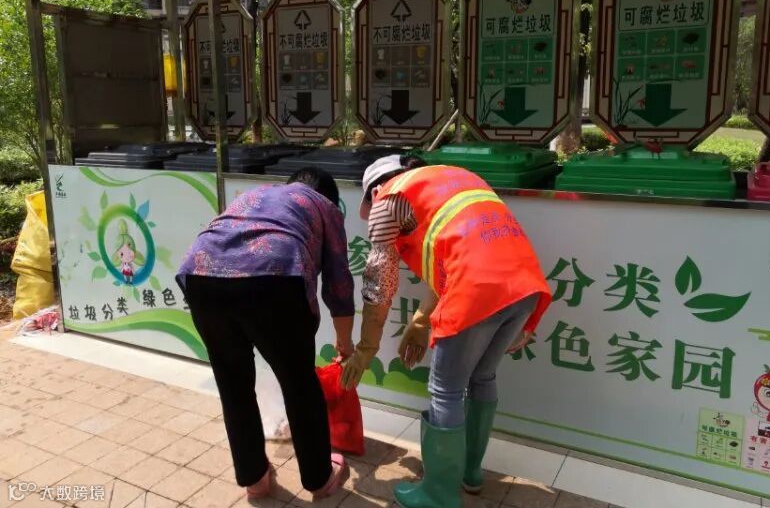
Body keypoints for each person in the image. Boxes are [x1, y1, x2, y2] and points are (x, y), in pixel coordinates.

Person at [340, 155, 552, 508]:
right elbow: (453, 257)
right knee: (483, 376)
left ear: (375, 191)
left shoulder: (388, 197)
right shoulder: (453, 178)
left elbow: (379, 282)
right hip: (524, 286)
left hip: (478, 289)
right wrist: (421, 321)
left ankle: (438, 493)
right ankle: (470, 474)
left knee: (446, 390)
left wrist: (366, 349)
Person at [176, 167, 354, 501]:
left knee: (233, 384)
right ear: (330, 197)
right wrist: (345, 343)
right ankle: (319, 479)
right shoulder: (324, 206)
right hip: (274, 276)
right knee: (299, 384)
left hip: (201, 273)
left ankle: (254, 479)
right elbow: (339, 284)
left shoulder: (256, 194)